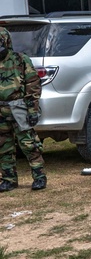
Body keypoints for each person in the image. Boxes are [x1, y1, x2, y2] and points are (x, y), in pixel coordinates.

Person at [0, 27, 46, 191]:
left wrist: (32, 110)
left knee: (29, 144)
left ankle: (39, 176)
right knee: (4, 147)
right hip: (1, 110)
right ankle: (8, 179)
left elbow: (33, 85)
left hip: (18, 106)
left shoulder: (20, 60)